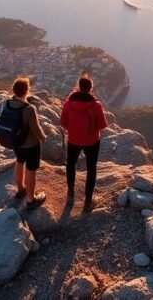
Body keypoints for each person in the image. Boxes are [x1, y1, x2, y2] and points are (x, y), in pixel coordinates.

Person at [60, 73, 109, 211]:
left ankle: (70, 194)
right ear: (90, 88)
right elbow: (102, 125)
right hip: (92, 141)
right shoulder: (96, 105)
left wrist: (74, 129)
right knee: (91, 168)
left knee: (71, 164)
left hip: (73, 140)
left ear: (78, 87)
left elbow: (63, 122)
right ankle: (88, 200)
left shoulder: (69, 103)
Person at [7, 77, 47, 209]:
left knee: (19, 161)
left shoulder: (6, 103)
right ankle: (31, 200)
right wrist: (43, 137)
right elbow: (35, 128)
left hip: (16, 142)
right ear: (27, 90)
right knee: (31, 169)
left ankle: (20, 189)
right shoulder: (29, 108)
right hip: (30, 144)